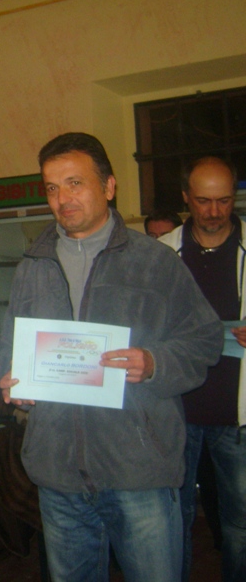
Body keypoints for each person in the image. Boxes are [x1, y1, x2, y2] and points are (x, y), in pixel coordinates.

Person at [0, 132, 222, 582]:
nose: (62, 199)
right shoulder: (32, 267)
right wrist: (11, 380)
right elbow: (10, 347)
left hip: (139, 473)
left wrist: (154, 363)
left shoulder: (155, 262)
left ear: (109, 186)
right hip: (58, 477)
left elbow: (204, 339)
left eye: (75, 183)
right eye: (52, 187)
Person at [160, 156, 246, 582]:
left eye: (224, 200)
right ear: (186, 198)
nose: (214, 211)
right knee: (173, 521)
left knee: (241, 525)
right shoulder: (161, 252)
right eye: (203, 201)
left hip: (237, 413)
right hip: (177, 410)